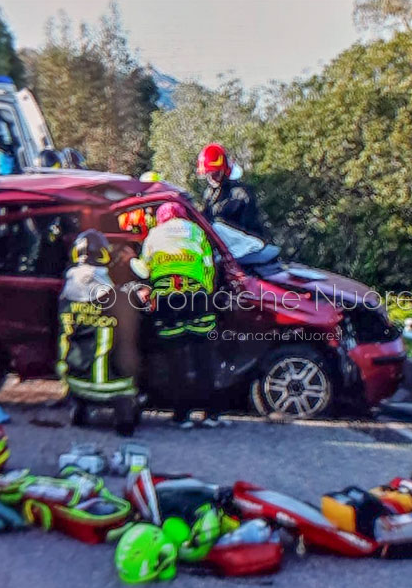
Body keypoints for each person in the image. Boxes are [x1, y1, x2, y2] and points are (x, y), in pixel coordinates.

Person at [133, 201, 223, 429]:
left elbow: (144, 269)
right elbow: (209, 266)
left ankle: (182, 416)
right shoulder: (197, 232)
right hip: (197, 297)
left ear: (162, 218)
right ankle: (211, 414)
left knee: (177, 359)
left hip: (167, 298)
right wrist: (206, 293)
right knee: (203, 356)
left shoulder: (154, 235)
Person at [58, 229, 142, 435]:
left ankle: (80, 409)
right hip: (114, 384)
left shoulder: (66, 297)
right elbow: (132, 325)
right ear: (104, 256)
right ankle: (124, 416)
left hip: (75, 379)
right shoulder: (117, 298)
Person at [197, 143, 265, 236]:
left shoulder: (241, 194)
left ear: (224, 170)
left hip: (242, 246)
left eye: (215, 174)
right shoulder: (209, 193)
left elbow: (248, 228)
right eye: (207, 175)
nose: (211, 179)